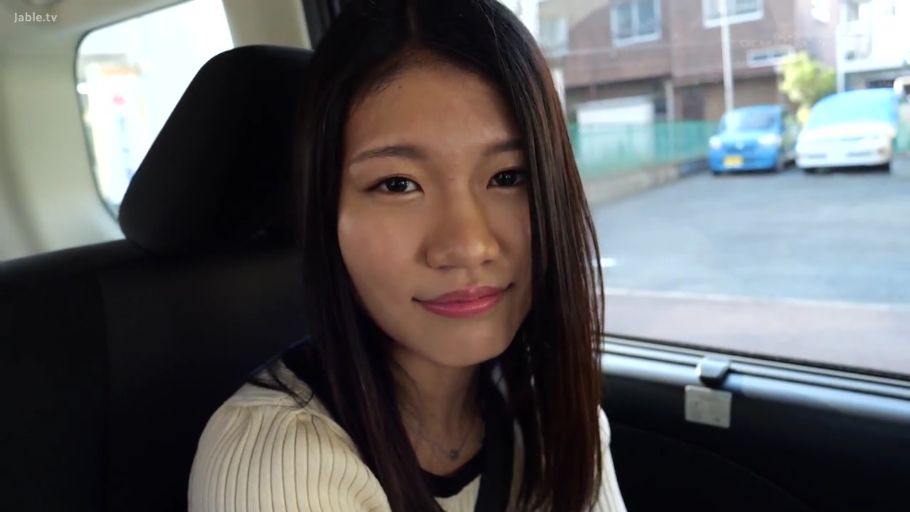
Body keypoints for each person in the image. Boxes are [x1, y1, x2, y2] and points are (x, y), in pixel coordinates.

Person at [188, 0, 627, 510]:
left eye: (508, 176)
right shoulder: (277, 461)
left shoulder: (558, 415)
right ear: (326, 215)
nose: (468, 246)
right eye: (398, 184)